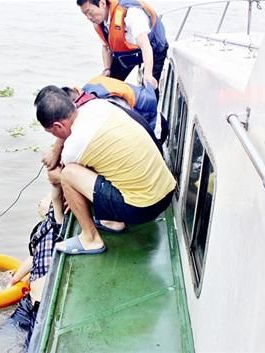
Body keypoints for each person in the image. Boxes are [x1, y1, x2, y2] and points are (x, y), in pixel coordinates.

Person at [35, 87, 175, 255]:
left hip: (143, 208)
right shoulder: (99, 105)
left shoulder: (74, 146)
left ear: (58, 125)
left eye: (53, 132)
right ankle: (111, 221)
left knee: (68, 174)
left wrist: (54, 175)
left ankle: (90, 239)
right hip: (167, 193)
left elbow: (61, 177)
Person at [9, 168, 64, 346]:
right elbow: (33, 259)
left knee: (31, 346)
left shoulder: (57, 224)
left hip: (42, 306)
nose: (40, 201)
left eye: (45, 199)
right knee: (5, 331)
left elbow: (57, 196)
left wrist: (56, 173)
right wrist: (13, 280)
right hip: (28, 303)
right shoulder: (41, 230)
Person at [77, 0, 168, 98]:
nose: (88, 18)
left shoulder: (131, 13)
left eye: (89, 12)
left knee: (150, 88)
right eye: (85, 14)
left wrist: (148, 75)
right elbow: (106, 46)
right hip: (127, 52)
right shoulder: (97, 20)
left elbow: (145, 46)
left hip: (152, 47)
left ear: (102, 3)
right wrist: (107, 69)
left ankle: (150, 108)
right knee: (108, 85)